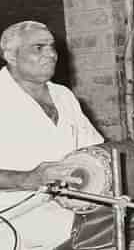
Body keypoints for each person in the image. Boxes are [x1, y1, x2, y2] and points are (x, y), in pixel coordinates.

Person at [0, 21, 104, 250]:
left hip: (69, 206)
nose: (51, 55)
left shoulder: (63, 95)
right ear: (11, 56)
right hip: (11, 214)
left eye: (52, 47)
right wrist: (28, 178)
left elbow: (95, 149)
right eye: (38, 48)